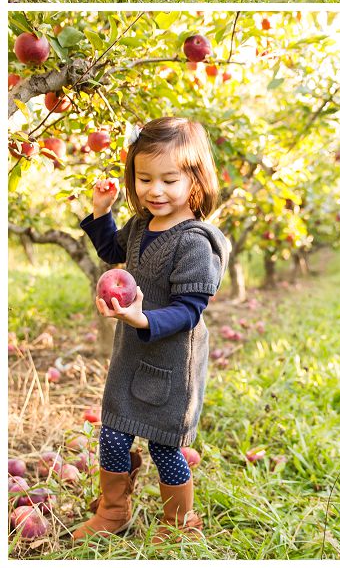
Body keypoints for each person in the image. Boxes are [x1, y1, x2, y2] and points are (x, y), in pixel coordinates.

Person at [74, 117, 230, 544]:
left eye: (168, 180)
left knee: (164, 445)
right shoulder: (142, 226)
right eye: (144, 178)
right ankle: (113, 510)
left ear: (195, 180)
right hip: (132, 355)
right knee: (113, 428)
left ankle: (180, 523)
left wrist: (144, 320)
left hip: (170, 361)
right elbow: (111, 251)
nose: (154, 190)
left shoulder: (196, 243)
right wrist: (102, 212)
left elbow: (190, 309)